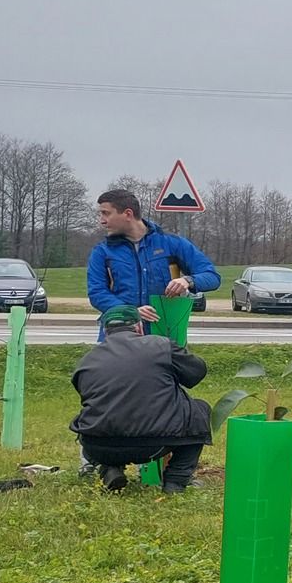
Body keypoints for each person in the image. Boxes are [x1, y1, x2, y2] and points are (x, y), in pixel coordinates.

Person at [69, 307, 212, 492]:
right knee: (200, 411)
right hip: (154, 443)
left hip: (97, 446)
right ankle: (175, 481)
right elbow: (196, 372)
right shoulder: (161, 345)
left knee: (100, 414)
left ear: (105, 331)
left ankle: (109, 468)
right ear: (139, 327)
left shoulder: (86, 360)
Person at [86, 189, 220, 335]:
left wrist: (187, 281)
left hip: (165, 335)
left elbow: (212, 277)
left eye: (106, 213)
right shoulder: (102, 252)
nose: (102, 220)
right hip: (119, 335)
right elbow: (97, 293)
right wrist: (130, 312)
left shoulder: (172, 244)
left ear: (128, 214)